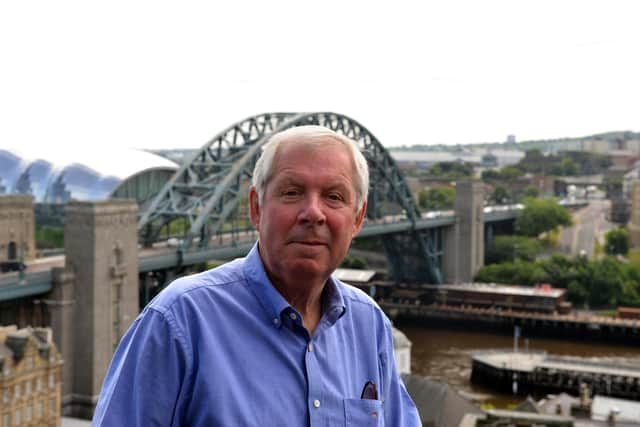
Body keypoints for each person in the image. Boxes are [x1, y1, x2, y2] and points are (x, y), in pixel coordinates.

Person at [92, 125, 421, 426]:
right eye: (291, 192)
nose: (313, 213)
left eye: (334, 197)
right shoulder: (179, 320)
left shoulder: (369, 324)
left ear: (357, 219)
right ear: (256, 207)